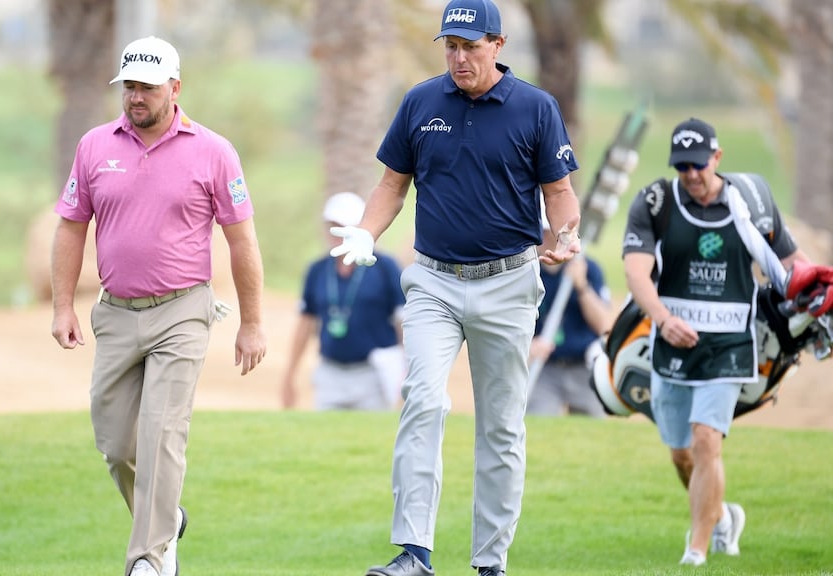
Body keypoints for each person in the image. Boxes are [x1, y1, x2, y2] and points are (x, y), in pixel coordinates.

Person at [329, 0, 583, 573]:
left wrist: (565, 235)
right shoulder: (421, 101)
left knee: (500, 424)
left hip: (508, 284)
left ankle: (490, 562)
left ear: (498, 44)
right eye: (450, 46)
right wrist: (367, 233)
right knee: (421, 400)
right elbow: (393, 184)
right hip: (434, 283)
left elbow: (560, 192)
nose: (459, 57)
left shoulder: (536, 109)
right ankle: (414, 553)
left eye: (471, 46)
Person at [49, 36, 266, 576]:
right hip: (116, 312)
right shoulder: (95, 146)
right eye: (129, 87)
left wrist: (252, 323)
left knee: (163, 432)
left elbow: (242, 241)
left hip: (183, 310)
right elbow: (71, 227)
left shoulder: (214, 151)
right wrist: (61, 306)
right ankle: (167, 518)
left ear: (175, 87)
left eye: (147, 87)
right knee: (116, 441)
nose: (136, 97)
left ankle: (149, 558)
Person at [622, 117, 809, 566]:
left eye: (698, 165)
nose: (690, 175)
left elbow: (793, 263)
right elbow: (635, 270)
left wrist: (817, 293)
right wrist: (663, 320)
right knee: (682, 454)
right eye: (682, 166)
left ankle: (698, 550)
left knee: (707, 440)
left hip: (729, 346)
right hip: (672, 344)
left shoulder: (753, 203)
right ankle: (722, 516)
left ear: (717, 158)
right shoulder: (656, 201)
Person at [281, 192, 406, 411]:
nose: (337, 233)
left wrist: (408, 370)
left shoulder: (385, 267)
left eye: (343, 225)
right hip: (330, 372)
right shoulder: (318, 270)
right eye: (333, 226)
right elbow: (305, 322)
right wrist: (290, 373)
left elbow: (402, 321)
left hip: (375, 372)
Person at [527, 252, 612, 417]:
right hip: (543, 367)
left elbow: (604, 325)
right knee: (536, 423)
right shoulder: (527, 271)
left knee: (593, 431)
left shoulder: (589, 268)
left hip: (585, 367)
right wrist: (527, 345)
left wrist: (582, 286)